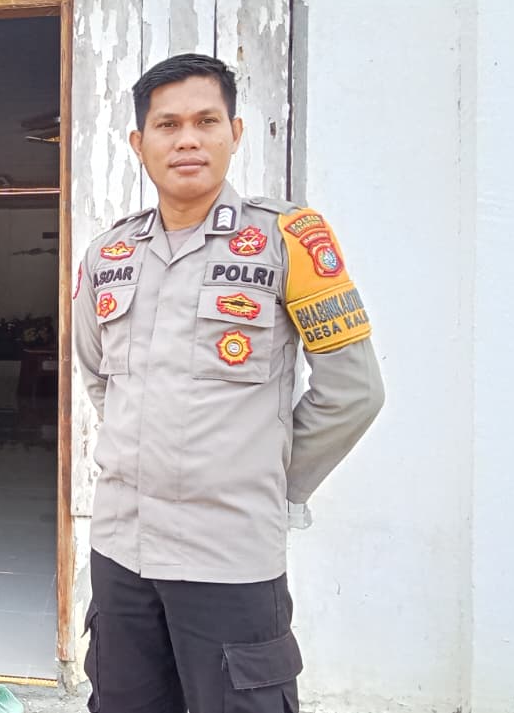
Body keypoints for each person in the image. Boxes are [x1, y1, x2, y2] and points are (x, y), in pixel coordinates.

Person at [73, 53, 384, 713]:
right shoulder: (109, 254)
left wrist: (269, 481)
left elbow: (353, 391)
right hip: (121, 550)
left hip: (229, 556)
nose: (187, 139)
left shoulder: (287, 240)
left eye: (206, 121)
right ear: (139, 143)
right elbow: (102, 380)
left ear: (235, 133)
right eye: (168, 125)